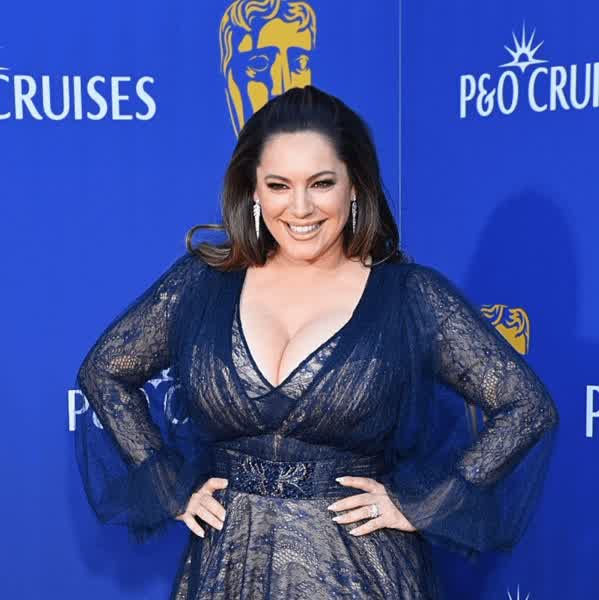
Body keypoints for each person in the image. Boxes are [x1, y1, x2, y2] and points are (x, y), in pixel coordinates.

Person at [74, 85, 559, 600]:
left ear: (355, 187)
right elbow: (104, 371)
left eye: (321, 183)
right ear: (253, 190)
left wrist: (424, 503)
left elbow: (526, 408)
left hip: (359, 575)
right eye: (279, 185)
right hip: (227, 571)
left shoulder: (409, 297)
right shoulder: (201, 284)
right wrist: (168, 486)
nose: (300, 208)